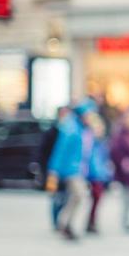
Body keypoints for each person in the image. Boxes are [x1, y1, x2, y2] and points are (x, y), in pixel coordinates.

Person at [46, 100, 97, 240]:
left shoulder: (83, 130)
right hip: (70, 171)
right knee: (81, 196)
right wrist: (53, 171)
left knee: (77, 198)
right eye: (89, 114)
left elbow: (88, 154)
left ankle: (66, 224)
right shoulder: (71, 129)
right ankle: (66, 224)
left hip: (79, 171)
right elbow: (60, 151)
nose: (91, 117)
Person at [40, 106, 71, 230]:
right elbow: (43, 152)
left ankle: (61, 219)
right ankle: (55, 221)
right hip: (53, 170)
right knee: (56, 197)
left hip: (66, 170)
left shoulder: (70, 132)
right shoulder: (52, 132)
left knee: (65, 196)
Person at [84, 113, 112, 234]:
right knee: (93, 199)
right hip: (90, 175)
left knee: (97, 200)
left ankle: (92, 221)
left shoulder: (102, 144)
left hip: (99, 176)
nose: (99, 131)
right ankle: (90, 222)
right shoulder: (89, 143)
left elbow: (105, 160)